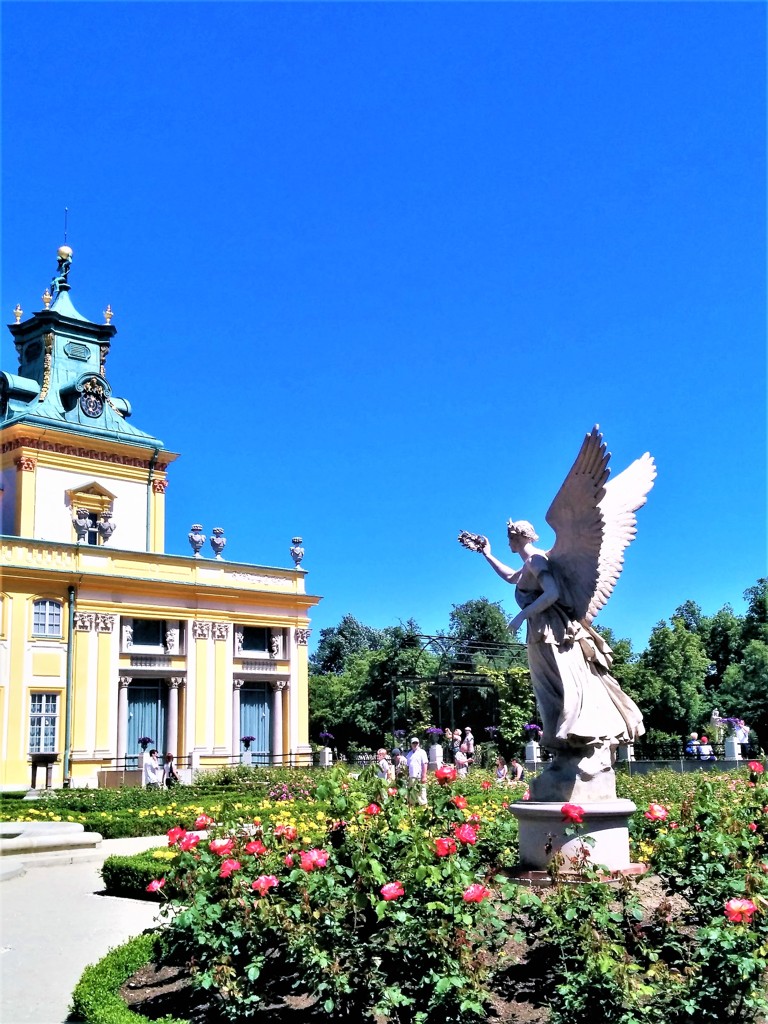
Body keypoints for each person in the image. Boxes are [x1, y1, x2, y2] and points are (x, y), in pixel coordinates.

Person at [406, 737, 428, 805]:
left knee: (421, 791)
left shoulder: (422, 752)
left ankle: (423, 806)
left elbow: (425, 764)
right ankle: (413, 805)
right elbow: (407, 766)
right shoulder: (409, 754)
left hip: (419, 776)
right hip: (411, 776)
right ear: (411, 744)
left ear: (419, 743)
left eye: (416, 743)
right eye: (413, 743)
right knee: (412, 792)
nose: (415, 744)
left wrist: (424, 776)